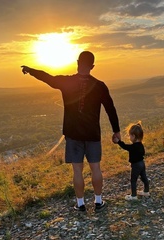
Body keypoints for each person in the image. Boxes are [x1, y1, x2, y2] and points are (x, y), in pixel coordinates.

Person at [21, 51, 121, 212]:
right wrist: (116, 131)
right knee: (96, 168)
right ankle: (98, 201)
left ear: (77, 62)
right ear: (92, 66)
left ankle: (80, 204)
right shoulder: (100, 85)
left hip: (73, 134)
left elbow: (47, 77)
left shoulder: (66, 82)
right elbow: (111, 109)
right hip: (92, 134)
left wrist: (30, 70)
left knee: (77, 170)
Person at [113, 121, 149, 201]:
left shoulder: (133, 146)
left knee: (133, 180)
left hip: (136, 165)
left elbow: (125, 146)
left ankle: (133, 196)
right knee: (144, 177)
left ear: (133, 136)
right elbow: (143, 153)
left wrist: (118, 141)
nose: (129, 137)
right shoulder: (141, 145)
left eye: (129, 135)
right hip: (142, 163)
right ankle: (146, 191)